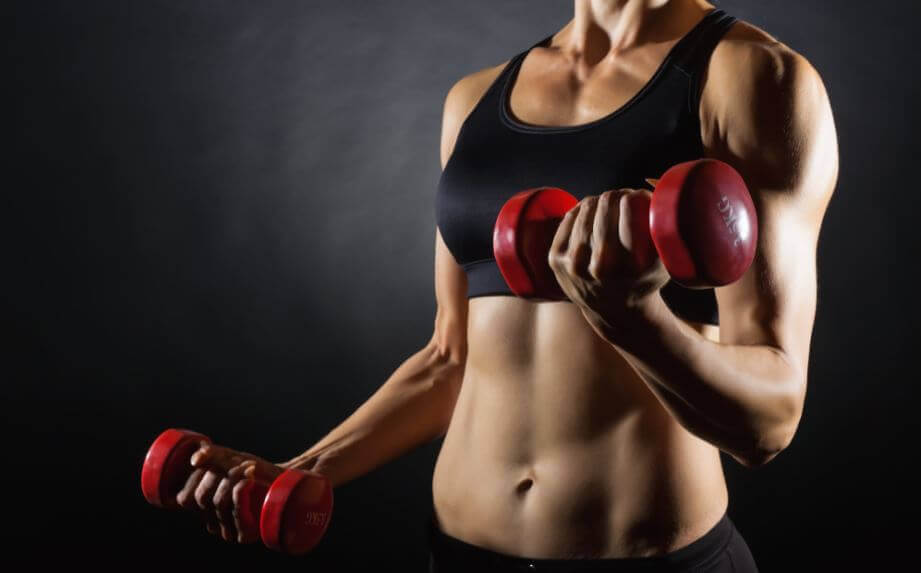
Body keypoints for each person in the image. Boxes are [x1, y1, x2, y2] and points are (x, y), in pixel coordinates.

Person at [177, 1, 838, 571]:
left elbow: (769, 420)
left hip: (649, 558)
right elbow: (448, 358)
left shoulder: (752, 78)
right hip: (461, 550)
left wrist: (634, 317)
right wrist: (303, 469)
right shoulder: (474, 99)